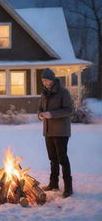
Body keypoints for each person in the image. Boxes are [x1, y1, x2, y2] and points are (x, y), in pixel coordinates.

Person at [38, 68, 73, 198]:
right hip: (48, 131)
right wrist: (40, 115)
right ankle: (53, 184)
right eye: (42, 80)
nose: (44, 82)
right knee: (52, 159)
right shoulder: (44, 93)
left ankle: (68, 188)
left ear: (52, 79)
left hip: (61, 131)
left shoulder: (63, 92)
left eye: (46, 80)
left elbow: (69, 110)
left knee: (62, 159)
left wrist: (51, 114)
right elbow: (40, 109)